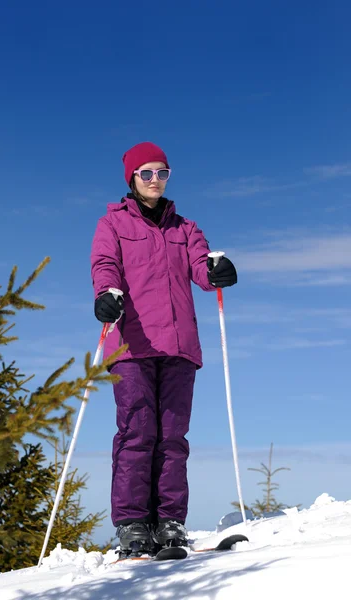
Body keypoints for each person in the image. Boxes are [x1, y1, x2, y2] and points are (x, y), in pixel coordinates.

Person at [90, 142, 237, 557]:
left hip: (178, 344)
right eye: (147, 173)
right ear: (132, 179)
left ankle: (170, 521)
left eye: (162, 172)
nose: (155, 180)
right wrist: (106, 293)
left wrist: (215, 270)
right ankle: (134, 523)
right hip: (132, 345)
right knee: (138, 432)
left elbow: (201, 266)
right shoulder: (112, 224)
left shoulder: (185, 228)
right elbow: (104, 265)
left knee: (173, 436)